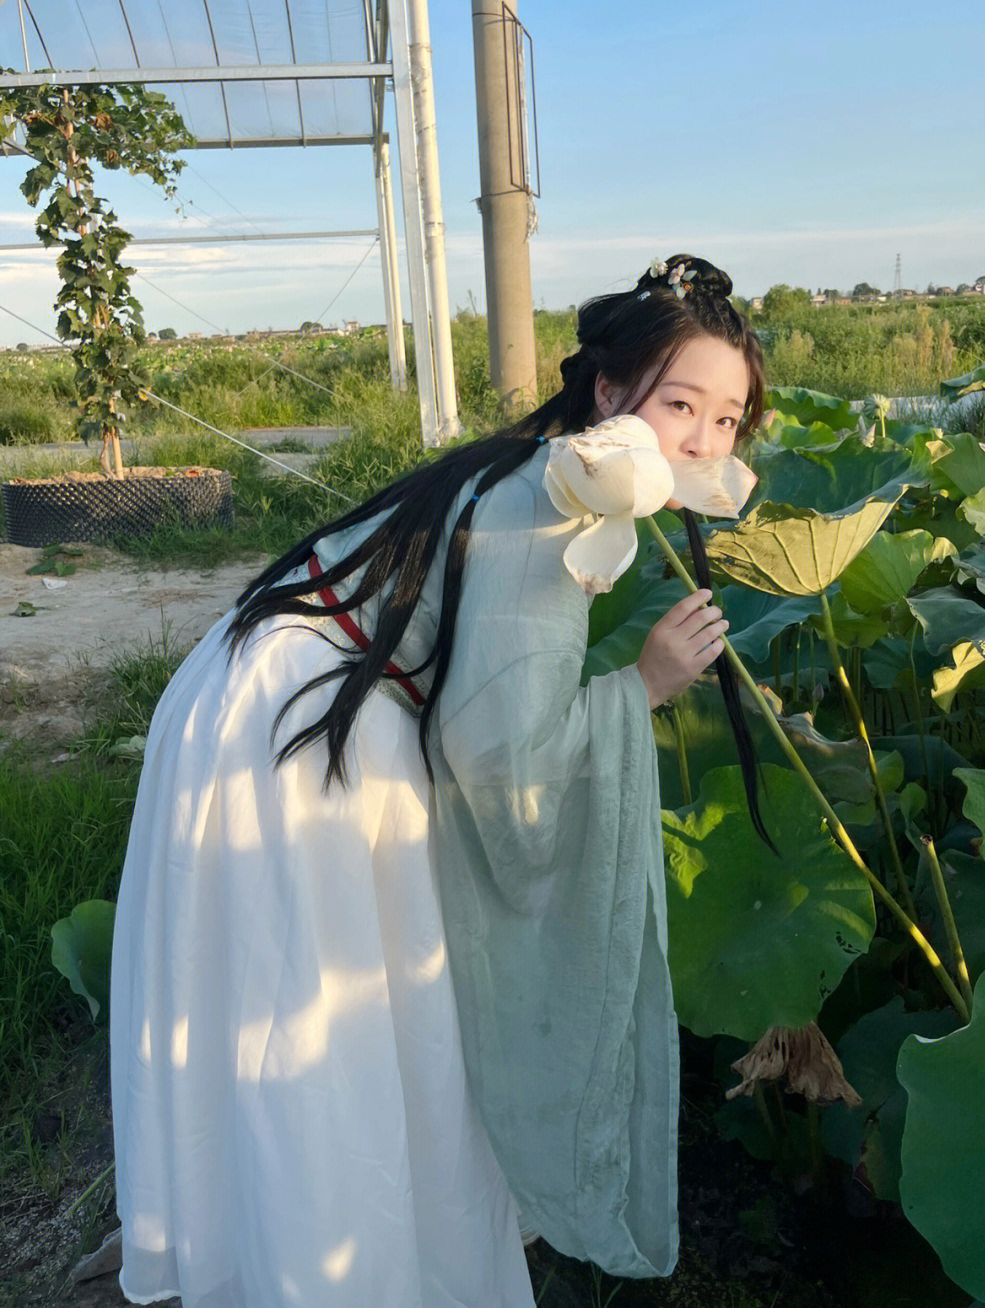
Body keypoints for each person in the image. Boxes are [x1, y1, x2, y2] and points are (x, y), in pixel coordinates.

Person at [109, 254, 766, 1308]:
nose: (703, 440)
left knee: (280, 1009)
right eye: (681, 402)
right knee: (345, 1028)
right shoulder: (553, 502)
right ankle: (348, 1276)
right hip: (301, 731)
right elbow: (503, 765)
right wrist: (641, 685)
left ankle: (276, 1251)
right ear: (608, 391)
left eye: (729, 419)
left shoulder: (537, 464)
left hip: (253, 694)